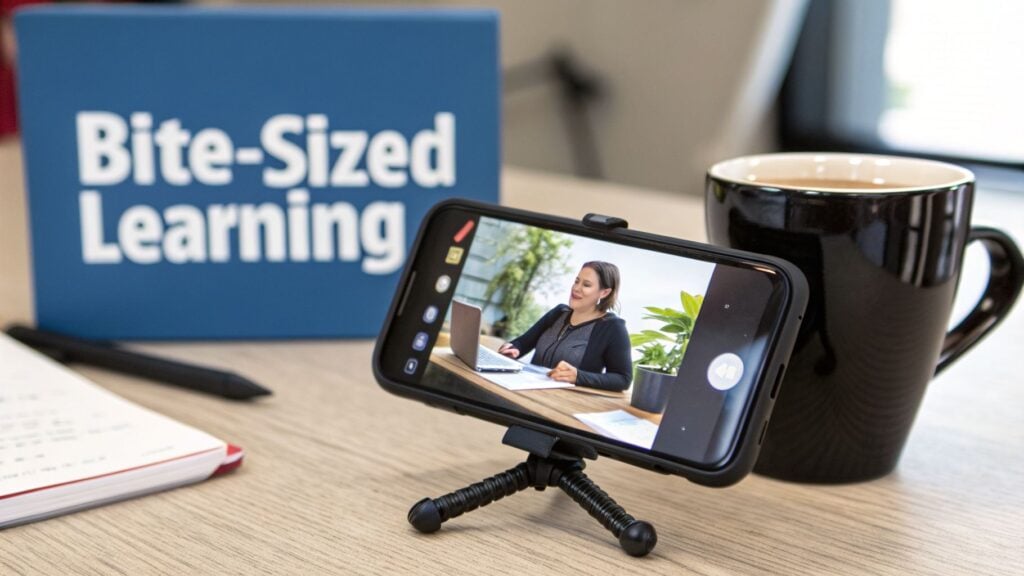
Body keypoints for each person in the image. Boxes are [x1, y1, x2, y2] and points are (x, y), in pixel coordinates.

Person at [498, 261, 631, 391]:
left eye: (586, 285)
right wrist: (512, 349)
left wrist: (579, 376)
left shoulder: (613, 327)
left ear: (604, 293)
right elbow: (523, 342)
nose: (576, 288)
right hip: (525, 389)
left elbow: (623, 379)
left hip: (564, 401)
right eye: (576, 281)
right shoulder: (559, 312)